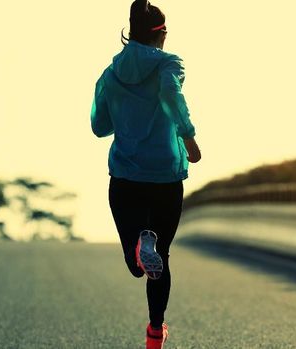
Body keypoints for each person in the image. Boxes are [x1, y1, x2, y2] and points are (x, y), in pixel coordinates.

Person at [90, 1, 200, 348]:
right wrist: (188, 135)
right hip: (166, 175)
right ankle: (155, 333)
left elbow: (99, 126)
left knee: (137, 264)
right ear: (161, 34)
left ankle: (140, 244)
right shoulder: (169, 63)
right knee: (160, 263)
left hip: (125, 176)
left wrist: (125, 113)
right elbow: (171, 93)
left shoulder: (111, 73)